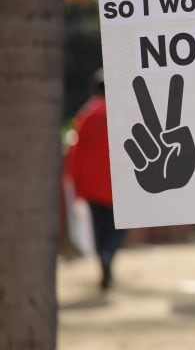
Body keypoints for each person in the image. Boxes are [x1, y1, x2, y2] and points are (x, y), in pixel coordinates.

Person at [65, 68, 125, 290]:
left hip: (92, 185)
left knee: (100, 227)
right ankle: (110, 254)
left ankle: (104, 260)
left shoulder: (87, 114)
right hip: (119, 184)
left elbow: (76, 152)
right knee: (119, 228)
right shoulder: (123, 111)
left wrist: (75, 180)